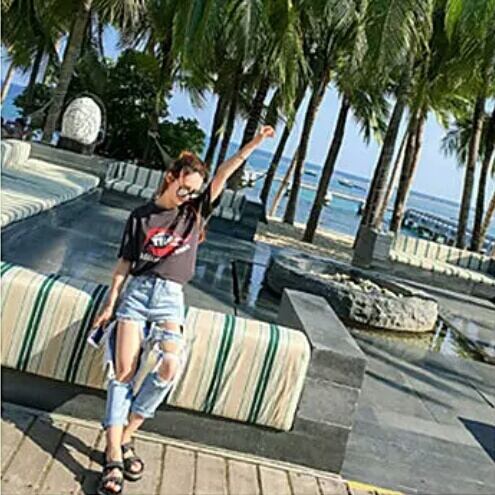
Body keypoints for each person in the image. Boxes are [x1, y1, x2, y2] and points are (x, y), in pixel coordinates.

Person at [92, 125, 275, 495]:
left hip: (170, 299)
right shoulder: (140, 216)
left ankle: (124, 435)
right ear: (171, 177)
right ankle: (113, 456)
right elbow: (124, 264)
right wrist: (110, 304)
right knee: (123, 373)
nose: (189, 195)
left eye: (194, 191)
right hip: (137, 295)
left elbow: (223, 173)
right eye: (185, 188)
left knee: (169, 367)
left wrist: (253, 144)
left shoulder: (195, 213)